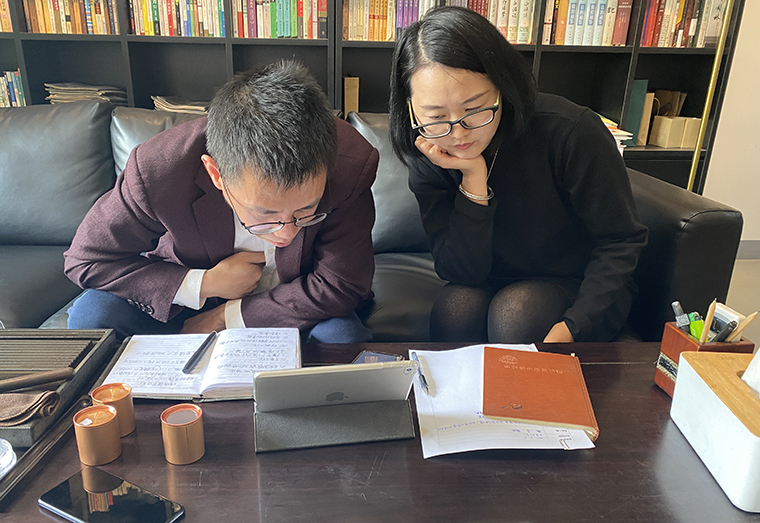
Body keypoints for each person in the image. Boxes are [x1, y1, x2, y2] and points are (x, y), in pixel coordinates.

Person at [64, 60, 378, 343]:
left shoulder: (351, 166)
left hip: (295, 307)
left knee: (342, 335)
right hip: (186, 306)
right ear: (216, 174)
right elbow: (87, 259)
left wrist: (225, 317)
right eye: (264, 214)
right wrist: (203, 284)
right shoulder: (160, 170)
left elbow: (342, 284)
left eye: (306, 210)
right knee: (93, 313)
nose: (286, 234)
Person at [389, 7, 648, 343]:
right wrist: (473, 181)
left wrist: (576, 325)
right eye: (436, 116)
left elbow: (621, 241)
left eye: (474, 109)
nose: (459, 133)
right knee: (456, 306)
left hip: (578, 282)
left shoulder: (570, 131)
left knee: (517, 312)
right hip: (492, 278)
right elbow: (461, 272)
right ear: (411, 109)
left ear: (502, 84)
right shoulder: (430, 147)